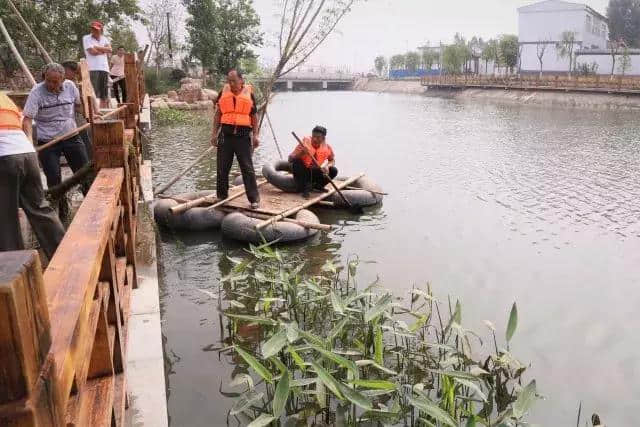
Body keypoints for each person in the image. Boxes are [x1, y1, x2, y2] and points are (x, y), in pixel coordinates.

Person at [0, 91, 65, 260]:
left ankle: (14, 270)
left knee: (6, 217)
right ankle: (63, 255)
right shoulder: (4, 98)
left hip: (5, 158)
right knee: (40, 208)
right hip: (28, 155)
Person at [22, 63, 90, 189]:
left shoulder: (70, 86)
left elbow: (78, 106)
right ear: (44, 77)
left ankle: (91, 203)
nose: (50, 85)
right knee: (54, 179)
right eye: (48, 80)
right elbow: (27, 120)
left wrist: (90, 116)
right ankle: (60, 208)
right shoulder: (36, 92)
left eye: (55, 82)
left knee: (85, 174)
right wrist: (30, 143)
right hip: (48, 141)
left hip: (71, 136)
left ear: (63, 80)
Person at [211, 69, 260, 209]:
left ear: (241, 80)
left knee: (247, 168)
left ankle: (254, 199)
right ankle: (221, 196)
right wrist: (214, 134)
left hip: (243, 137)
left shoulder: (249, 94)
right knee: (222, 168)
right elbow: (217, 115)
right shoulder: (223, 93)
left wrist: (256, 135)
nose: (231, 83)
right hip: (225, 136)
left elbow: (254, 117)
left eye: (234, 80)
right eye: (229, 81)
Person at [288, 125, 338, 198]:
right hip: (303, 171)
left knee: (333, 170)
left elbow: (332, 160)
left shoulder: (327, 147)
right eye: (313, 136)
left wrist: (327, 166)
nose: (314, 139)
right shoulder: (304, 144)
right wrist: (301, 153)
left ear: (323, 138)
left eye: (318, 137)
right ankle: (303, 188)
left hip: (315, 171)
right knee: (297, 161)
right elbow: (290, 159)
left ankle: (318, 186)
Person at [62, 60, 95, 159]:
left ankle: (90, 164)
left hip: (79, 121)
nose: (62, 73)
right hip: (72, 122)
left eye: (64, 70)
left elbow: (80, 104)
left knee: (85, 143)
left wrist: (90, 114)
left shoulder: (76, 85)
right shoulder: (66, 84)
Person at [83, 20, 112, 109]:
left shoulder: (105, 38)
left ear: (101, 30)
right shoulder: (86, 38)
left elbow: (110, 50)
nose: (94, 31)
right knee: (93, 93)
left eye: (96, 29)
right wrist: (104, 50)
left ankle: (103, 112)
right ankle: (94, 113)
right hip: (93, 68)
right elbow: (92, 52)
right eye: (93, 29)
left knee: (104, 93)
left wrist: (96, 47)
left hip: (104, 68)